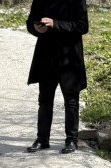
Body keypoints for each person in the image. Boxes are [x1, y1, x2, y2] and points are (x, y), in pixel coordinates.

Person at [26, 0, 89, 154]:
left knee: (71, 101)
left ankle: (71, 140)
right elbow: (31, 21)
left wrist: (55, 24)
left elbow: (82, 26)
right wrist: (36, 28)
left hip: (69, 57)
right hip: (46, 55)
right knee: (44, 100)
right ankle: (42, 139)